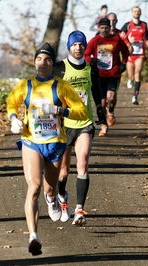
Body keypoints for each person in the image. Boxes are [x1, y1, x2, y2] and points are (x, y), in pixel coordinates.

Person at [6, 42, 88, 256]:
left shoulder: (61, 86)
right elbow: (11, 103)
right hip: (31, 141)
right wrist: (14, 118)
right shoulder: (26, 85)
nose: (43, 63)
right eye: (39, 59)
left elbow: (82, 112)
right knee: (34, 186)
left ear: (53, 63)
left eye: (48, 59)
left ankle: (52, 200)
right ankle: (33, 236)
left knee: (49, 189)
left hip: (55, 143)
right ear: (34, 62)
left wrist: (60, 110)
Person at [52, 30, 101, 225]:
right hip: (64, 125)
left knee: (82, 163)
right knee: (63, 172)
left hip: (84, 123)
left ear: (85, 46)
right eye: (74, 45)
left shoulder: (91, 69)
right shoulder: (59, 68)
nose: (78, 47)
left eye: (81, 44)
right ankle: (63, 198)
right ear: (69, 47)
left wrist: (101, 112)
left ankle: (79, 210)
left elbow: (96, 91)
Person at [85, 17, 129, 135]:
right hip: (99, 75)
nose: (104, 30)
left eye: (106, 28)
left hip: (113, 73)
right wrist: (92, 60)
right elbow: (85, 55)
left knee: (111, 97)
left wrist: (124, 63)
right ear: (99, 28)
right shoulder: (95, 40)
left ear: (110, 29)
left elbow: (126, 51)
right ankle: (104, 125)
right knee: (102, 103)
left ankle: (111, 111)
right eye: (102, 28)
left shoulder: (116, 40)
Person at [120, 6, 148, 105]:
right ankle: (130, 79)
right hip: (130, 53)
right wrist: (129, 40)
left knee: (138, 73)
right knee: (132, 76)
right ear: (132, 13)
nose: (137, 13)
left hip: (140, 53)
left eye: (138, 11)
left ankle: (135, 96)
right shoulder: (127, 25)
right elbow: (120, 37)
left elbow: (147, 37)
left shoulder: (144, 25)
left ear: (140, 13)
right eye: (135, 11)